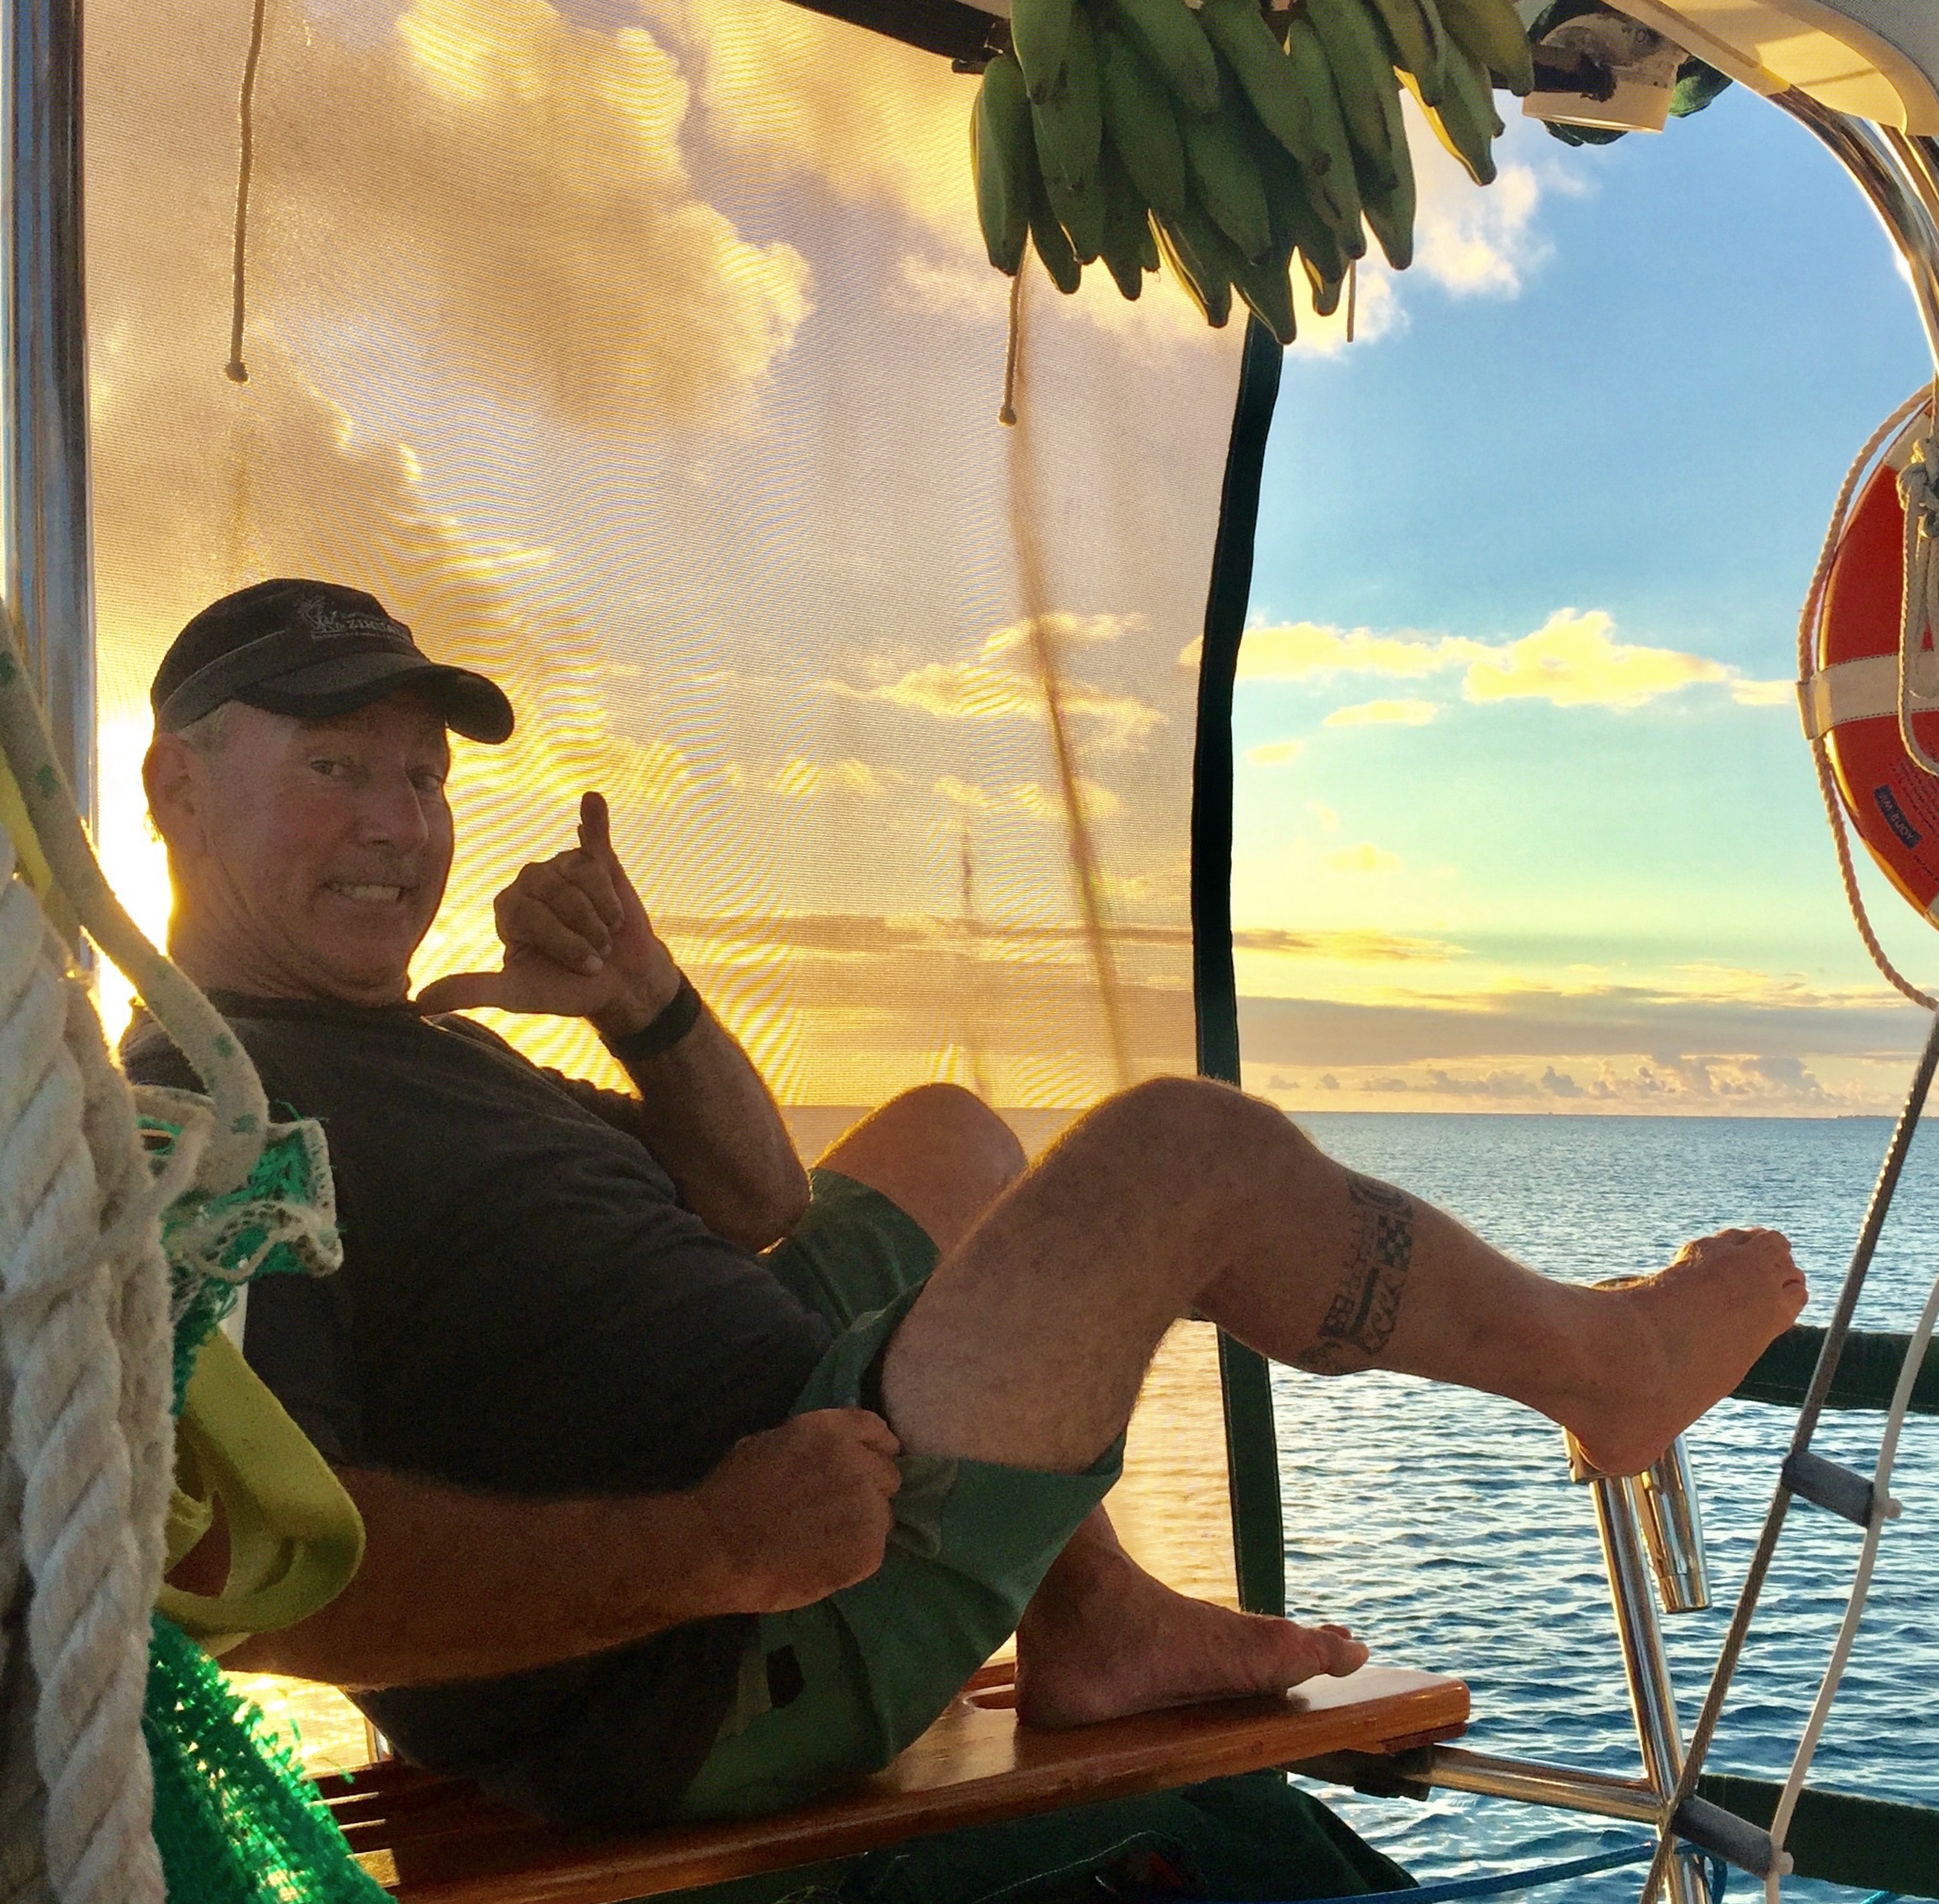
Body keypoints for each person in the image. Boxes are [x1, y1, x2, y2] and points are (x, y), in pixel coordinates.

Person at [125, 577, 1809, 1829]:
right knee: (1178, 1158)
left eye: (422, 781)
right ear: (174, 793)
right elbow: (262, 1578)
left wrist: (647, 1000)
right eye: (337, 769)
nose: (400, 828)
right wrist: (712, 1548)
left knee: (943, 1138)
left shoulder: (416, 1047)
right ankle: (1605, 1370)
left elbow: (756, 1197)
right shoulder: (203, 1121)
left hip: (784, 1452)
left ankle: (1101, 1620)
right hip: (715, 1652)